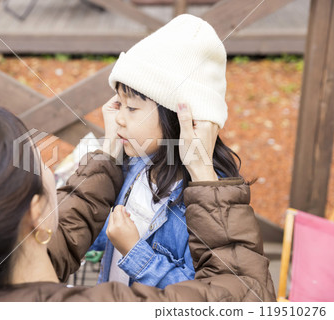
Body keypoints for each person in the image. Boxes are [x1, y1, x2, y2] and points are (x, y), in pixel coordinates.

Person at [0, 101, 275, 302]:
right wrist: (205, 177)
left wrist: (108, 157)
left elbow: (60, 230)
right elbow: (250, 300)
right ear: (36, 216)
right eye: (45, 168)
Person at [92, 14, 243, 289]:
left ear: (178, 116)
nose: (118, 119)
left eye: (132, 108)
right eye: (119, 104)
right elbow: (99, 238)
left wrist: (134, 251)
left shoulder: (204, 203)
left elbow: (201, 296)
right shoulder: (135, 164)